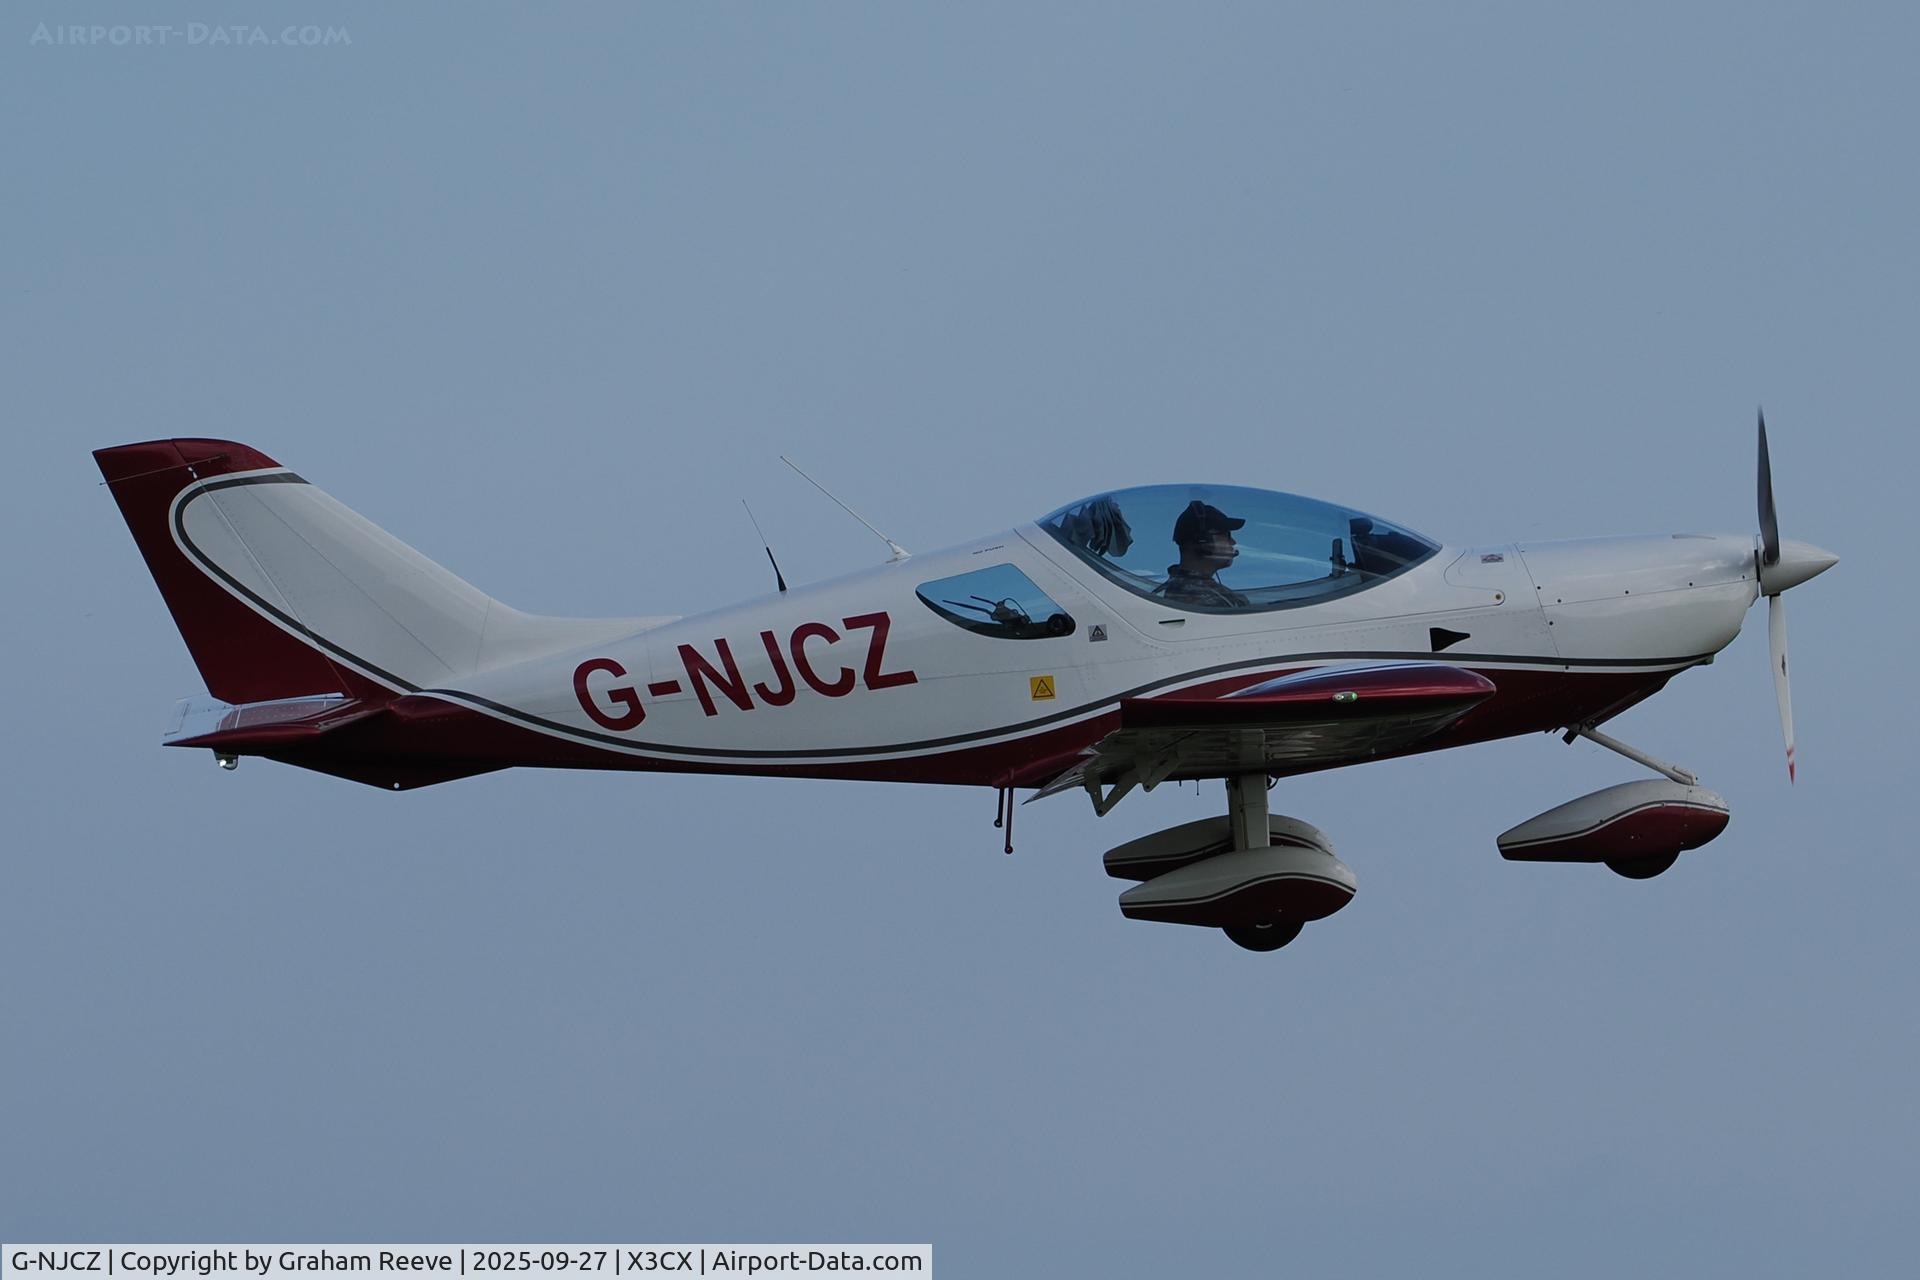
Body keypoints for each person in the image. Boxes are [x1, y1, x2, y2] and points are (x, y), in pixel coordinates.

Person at [1155, 500, 1250, 608]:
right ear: (1202, 540)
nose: (1233, 542)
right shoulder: (1196, 599)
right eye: (1225, 535)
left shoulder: (1210, 592)